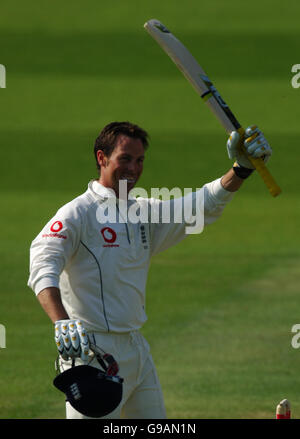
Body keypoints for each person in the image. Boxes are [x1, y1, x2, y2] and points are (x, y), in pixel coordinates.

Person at [27, 121, 272, 419]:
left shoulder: (143, 212)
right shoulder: (77, 213)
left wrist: (241, 168)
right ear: (101, 158)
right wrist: (60, 322)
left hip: (136, 349)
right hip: (93, 355)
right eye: (125, 159)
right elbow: (42, 264)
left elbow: (201, 205)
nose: (133, 168)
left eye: (139, 160)